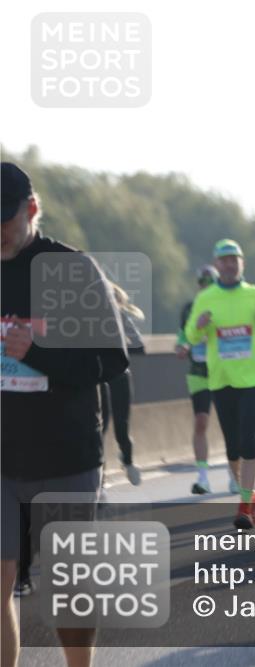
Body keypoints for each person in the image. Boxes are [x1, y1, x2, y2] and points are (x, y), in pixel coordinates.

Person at [2, 161, 129, 667]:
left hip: (65, 454)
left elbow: (111, 360)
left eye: (4, 224)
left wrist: (37, 351)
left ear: (31, 209)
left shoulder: (70, 270)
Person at [185, 239, 255, 529]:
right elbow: (190, 336)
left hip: (254, 377)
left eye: (234, 259)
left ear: (241, 263)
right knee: (232, 445)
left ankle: (244, 502)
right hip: (221, 378)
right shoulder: (206, 298)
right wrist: (200, 325)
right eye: (224, 260)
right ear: (217, 265)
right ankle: (248, 492)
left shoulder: (254, 294)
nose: (229, 264)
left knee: (248, 439)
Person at [177, 265, 235, 495]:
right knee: (201, 421)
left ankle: (234, 475)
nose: (205, 286)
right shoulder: (189, 308)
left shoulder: (224, 306)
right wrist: (182, 345)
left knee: (229, 424)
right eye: (202, 283)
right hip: (199, 372)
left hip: (224, 371)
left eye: (209, 282)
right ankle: (202, 478)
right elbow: (183, 335)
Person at [100, 283, 145, 487]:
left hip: (119, 376)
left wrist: (120, 346)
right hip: (96, 379)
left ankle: (127, 461)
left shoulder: (121, 317)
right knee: (99, 428)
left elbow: (139, 346)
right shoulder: (87, 319)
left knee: (121, 427)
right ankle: (100, 478)